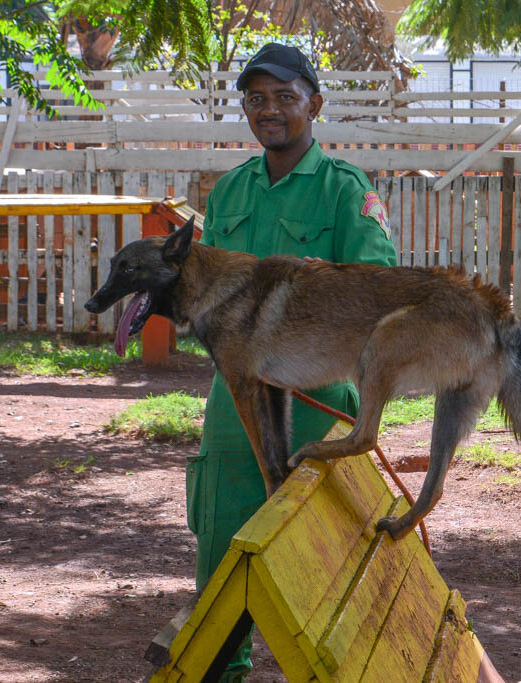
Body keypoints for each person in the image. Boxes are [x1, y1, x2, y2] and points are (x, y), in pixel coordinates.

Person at [188, 42, 398, 680]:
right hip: (235, 407)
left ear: (315, 103)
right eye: (256, 99)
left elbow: (376, 288)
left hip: (317, 405)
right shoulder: (227, 192)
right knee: (222, 555)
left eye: (284, 97)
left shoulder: (345, 190)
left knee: (329, 564)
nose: (269, 110)